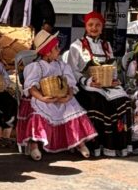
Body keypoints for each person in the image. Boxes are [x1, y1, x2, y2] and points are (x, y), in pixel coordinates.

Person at [17, 31, 97, 160]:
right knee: (38, 113)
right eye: (56, 48)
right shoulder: (36, 67)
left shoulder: (62, 65)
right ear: (47, 52)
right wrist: (42, 97)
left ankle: (79, 142)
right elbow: (31, 87)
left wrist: (69, 96)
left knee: (73, 108)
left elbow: (70, 83)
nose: (59, 50)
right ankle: (34, 145)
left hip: (61, 96)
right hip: (43, 97)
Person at [67, 11, 133, 157]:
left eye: (98, 25)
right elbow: (71, 70)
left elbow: (112, 66)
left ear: (102, 27)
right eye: (91, 25)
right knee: (97, 100)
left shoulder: (106, 45)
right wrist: (88, 81)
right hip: (87, 85)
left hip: (107, 84)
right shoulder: (76, 46)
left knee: (124, 100)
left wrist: (114, 79)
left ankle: (117, 145)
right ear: (85, 26)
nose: (94, 28)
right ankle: (96, 145)